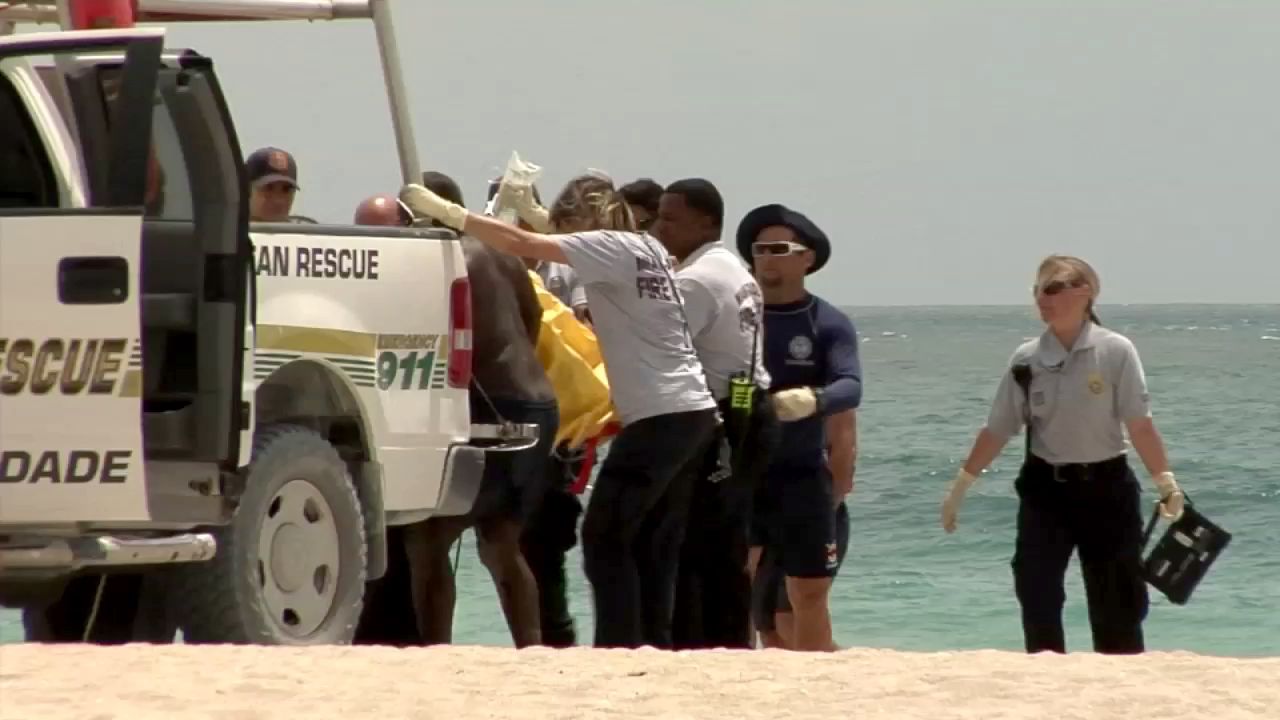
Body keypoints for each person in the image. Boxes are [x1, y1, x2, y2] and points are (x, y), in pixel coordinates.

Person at [400, 172, 719, 650]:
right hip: (692, 410)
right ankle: (654, 643)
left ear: (588, 221)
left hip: (659, 415)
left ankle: (619, 647)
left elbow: (522, 241)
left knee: (604, 539)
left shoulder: (609, 247)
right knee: (650, 543)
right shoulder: (646, 248)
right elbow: (548, 237)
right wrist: (534, 215)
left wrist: (453, 215)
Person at [941, 254, 1186, 656]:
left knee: (1117, 599)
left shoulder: (1115, 351)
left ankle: (1120, 686)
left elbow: (1139, 424)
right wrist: (961, 486)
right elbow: (998, 428)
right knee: (1035, 586)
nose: (1043, 298)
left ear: (1086, 292)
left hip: (1107, 488)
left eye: (1054, 289)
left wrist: (1165, 481)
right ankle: (1045, 674)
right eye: (1038, 290)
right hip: (1046, 490)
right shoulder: (1026, 359)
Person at [399, 173, 561, 649]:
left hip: (493, 405)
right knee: (502, 543)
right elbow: (532, 323)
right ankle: (529, 648)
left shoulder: (440, 258)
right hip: (538, 402)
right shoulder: (504, 256)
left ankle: (436, 652)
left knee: (428, 537)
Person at [649, 178, 775, 650]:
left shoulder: (694, 280)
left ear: (706, 222)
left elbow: (659, 344)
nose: (659, 228)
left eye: (669, 219)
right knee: (725, 537)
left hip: (724, 414)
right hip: (749, 408)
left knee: (699, 538)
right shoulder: (735, 269)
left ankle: (705, 642)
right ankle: (729, 641)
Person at [737, 203, 863, 652]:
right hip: (744, 473)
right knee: (747, 593)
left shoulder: (826, 323)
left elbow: (850, 387)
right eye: (759, 250)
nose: (767, 258)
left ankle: (819, 683)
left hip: (804, 475)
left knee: (807, 594)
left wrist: (814, 400)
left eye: (779, 249)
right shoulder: (740, 318)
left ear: (806, 258)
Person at [753, 411, 854, 649]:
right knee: (768, 628)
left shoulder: (828, 392)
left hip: (814, 513)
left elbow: (843, 459)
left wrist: (821, 513)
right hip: (765, 513)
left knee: (788, 618)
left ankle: (843, 672)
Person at [245, 146, 300, 222]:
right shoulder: (228, 230)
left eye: (286, 190)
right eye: (269, 188)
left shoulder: (305, 232)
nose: (278, 200)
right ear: (247, 191)